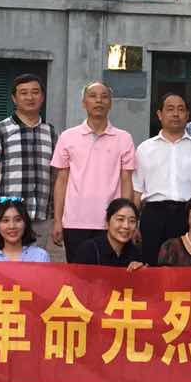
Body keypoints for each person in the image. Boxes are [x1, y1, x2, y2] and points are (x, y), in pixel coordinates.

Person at [51, 81, 136, 262]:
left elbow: (126, 180)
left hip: (112, 222)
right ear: (84, 103)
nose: (99, 101)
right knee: (78, 274)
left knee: (110, 274)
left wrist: (126, 219)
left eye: (104, 97)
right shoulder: (68, 137)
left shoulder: (124, 138)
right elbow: (61, 180)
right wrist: (58, 220)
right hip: (75, 221)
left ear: (110, 103)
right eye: (93, 96)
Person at [133, 92, 191, 265]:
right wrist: (134, 223)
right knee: (151, 267)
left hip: (187, 216)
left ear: (187, 115)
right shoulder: (145, 148)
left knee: (186, 270)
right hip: (153, 216)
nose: (175, 114)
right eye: (170, 109)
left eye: (181, 109)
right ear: (159, 114)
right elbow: (136, 191)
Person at [0, 73, 57, 256]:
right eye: (24, 93)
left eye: (35, 92)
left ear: (42, 97)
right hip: (8, 218)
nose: (30, 97)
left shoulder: (51, 132)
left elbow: (55, 174)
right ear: (14, 98)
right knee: (3, 266)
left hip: (40, 215)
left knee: (36, 265)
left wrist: (55, 215)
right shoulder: (0, 130)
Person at [72, 198, 145, 270]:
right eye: (120, 219)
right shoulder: (89, 250)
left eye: (132, 221)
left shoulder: (136, 253)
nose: (126, 226)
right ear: (107, 222)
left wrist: (140, 273)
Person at [0, 197, 52, 263]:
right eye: (5, 220)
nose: (12, 226)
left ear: (25, 223)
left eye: (18, 220)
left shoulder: (40, 256)